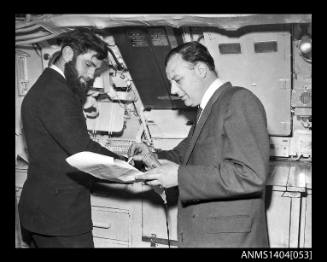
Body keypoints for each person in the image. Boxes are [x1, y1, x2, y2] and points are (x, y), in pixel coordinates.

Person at [128, 41, 270, 247]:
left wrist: (178, 176)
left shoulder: (239, 100)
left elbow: (250, 175)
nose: (173, 90)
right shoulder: (207, 110)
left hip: (230, 241)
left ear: (201, 70)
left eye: (177, 80)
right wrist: (150, 156)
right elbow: (181, 156)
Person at [18, 28, 126, 248]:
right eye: (88, 64)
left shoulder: (45, 87)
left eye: (95, 70)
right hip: (60, 218)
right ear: (68, 54)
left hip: (44, 213)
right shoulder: (57, 93)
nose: (90, 75)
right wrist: (129, 166)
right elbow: (82, 148)